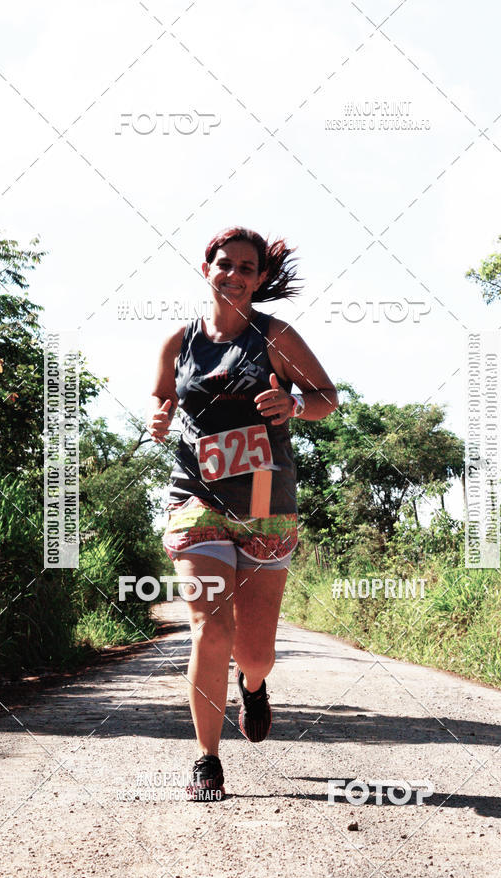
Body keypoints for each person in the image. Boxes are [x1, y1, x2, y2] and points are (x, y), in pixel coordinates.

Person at [148, 226, 338, 800]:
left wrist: (292, 403)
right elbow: (163, 397)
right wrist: (160, 419)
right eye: (224, 264)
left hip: (263, 497)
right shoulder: (178, 340)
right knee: (210, 627)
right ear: (206, 268)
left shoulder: (275, 337)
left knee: (255, 651)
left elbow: (327, 399)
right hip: (196, 495)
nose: (233, 274)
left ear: (260, 279)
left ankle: (252, 685)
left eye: (246, 268)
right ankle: (207, 759)